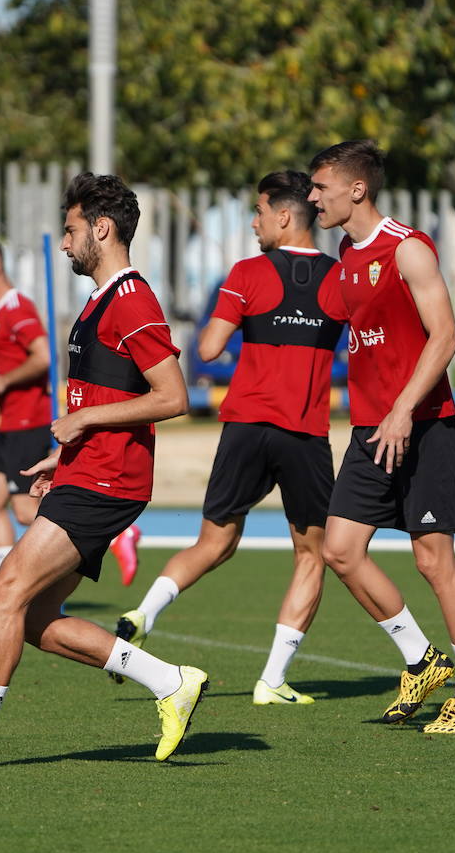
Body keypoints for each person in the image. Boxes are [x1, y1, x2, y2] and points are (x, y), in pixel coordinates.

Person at [0, 173, 206, 770]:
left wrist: (85, 423)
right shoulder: (98, 301)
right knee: (36, 618)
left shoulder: (133, 300)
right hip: (84, 471)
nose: (64, 244)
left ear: (102, 228)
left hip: (109, 479)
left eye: (70, 231)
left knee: (6, 592)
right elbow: (102, 396)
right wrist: (63, 454)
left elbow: (173, 397)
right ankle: (170, 681)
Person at [113, 170, 345, 706]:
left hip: (244, 428)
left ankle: (143, 613)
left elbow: (210, 349)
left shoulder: (245, 273)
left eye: (260, 211)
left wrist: (255, 333)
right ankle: (272, 681)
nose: (253, 221)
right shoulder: (338, 280)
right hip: (304, 433)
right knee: (312, 555)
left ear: (284, 216)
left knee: (213, 542)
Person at [306, 139, 455, 733]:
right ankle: (421, 658)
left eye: (320, 187)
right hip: (372, 429)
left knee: (433, 561)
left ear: (356, 189)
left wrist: (403, 411)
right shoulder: (343, 251)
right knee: (339, 549)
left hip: (425, 426)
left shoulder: (407, 249)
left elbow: (445, 338)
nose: (312, 197)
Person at [0, 238, 141, 614]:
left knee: (26, 511)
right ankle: (2, 589)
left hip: (27, 422)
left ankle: (118, 535)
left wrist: (4, 383)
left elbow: (42, 357)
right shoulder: (0, 312)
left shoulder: (17, 309)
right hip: (8, 421)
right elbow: (9, 376)